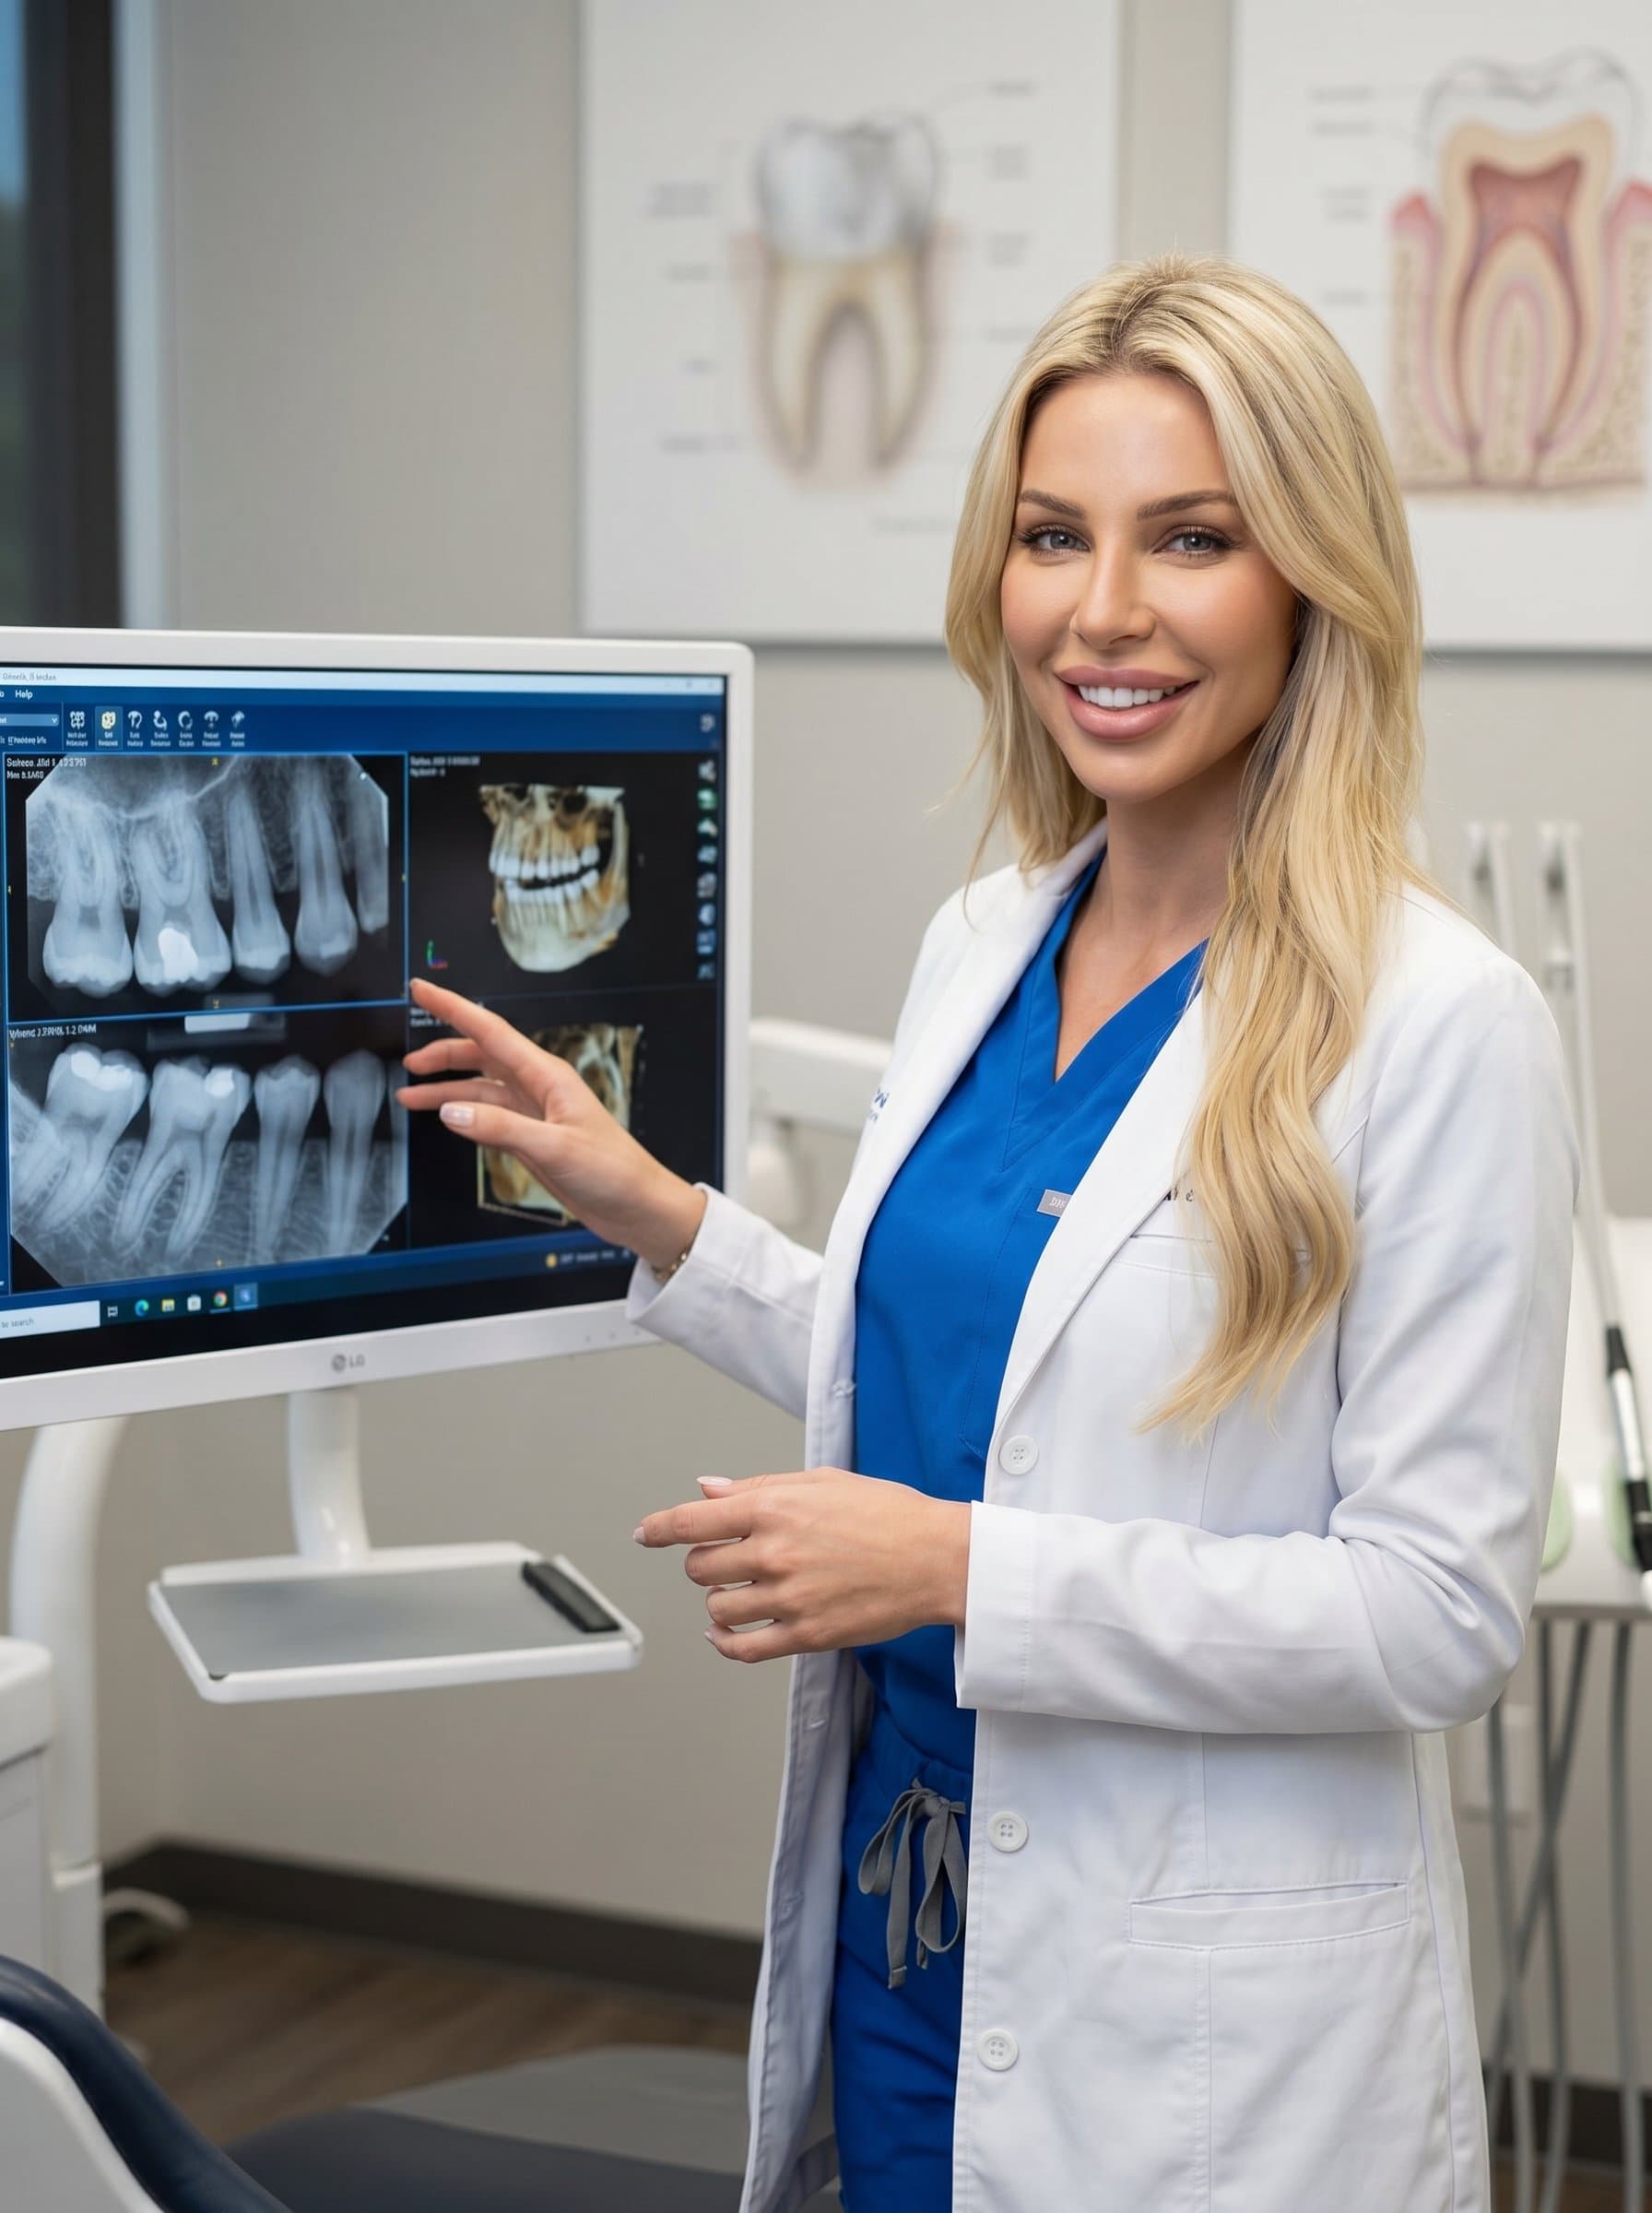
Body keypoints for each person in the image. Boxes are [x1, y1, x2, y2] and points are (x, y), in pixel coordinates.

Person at [396, 254, 1579, 2213]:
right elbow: (992, 1376)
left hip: (1195, 2031)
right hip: (911, 1917)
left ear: (1313, 578)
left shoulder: (1440, 1022)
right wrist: (662, 1217)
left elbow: (1431, 1613)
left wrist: (952, 1567)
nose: (1100, 610)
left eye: (1189, 538)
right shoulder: (985, 940)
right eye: (1051, 536)